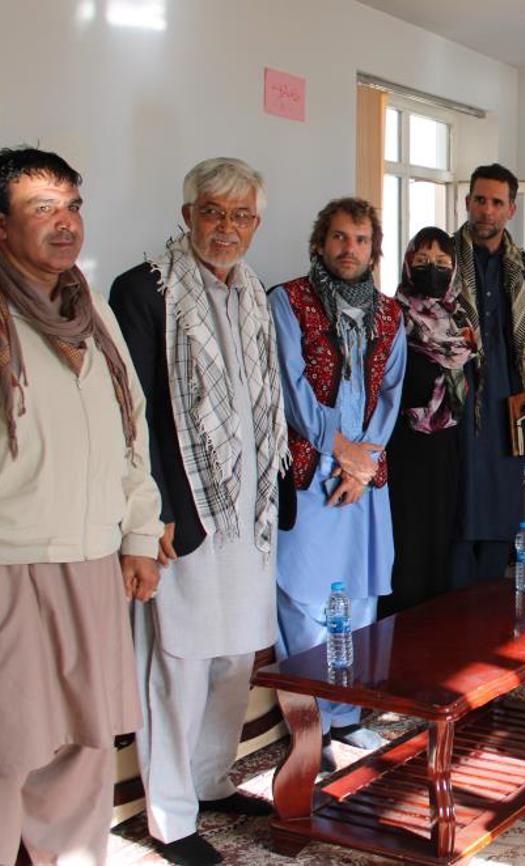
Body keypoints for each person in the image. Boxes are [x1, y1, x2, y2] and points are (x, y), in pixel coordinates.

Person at [109, 157, 286, 864]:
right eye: (213, 212)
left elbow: (263, 398)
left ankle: (212, 780)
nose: (226, 228)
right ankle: (171, 817)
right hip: (181, 512)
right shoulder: (144, 289)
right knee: (178, 662)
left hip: (248, 512)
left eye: (241, 216)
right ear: (187, 216)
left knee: (235, 656)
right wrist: (153, 509)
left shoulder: (252, 290)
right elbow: (136, 412)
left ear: (256, 224)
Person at [0, 147, 162, 865]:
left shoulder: (90, 310)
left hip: (94, 559)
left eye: (72, 207)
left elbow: (132, 430)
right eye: (43, 210)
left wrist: (138, 533)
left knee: (87, 744)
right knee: (11, 747)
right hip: (13, 563)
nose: (65, 224)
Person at [270, 197, 406, 757]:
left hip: (363, 480)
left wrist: (364, 463)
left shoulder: (390, 314)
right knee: (304, 604)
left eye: (360, 239)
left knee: (359, 601)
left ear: (374, 250)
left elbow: (391, 394)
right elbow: (290, 387)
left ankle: (347, 717)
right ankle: (313, 727)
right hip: (311, 474)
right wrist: (342, 451)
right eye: (339, 237)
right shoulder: (288, 301)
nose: (349, 248)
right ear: (320, 243)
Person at [449, 164, 525, 586]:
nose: (486, 210)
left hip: (508, 405)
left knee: (499, 513)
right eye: (480, 200)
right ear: (467, 202)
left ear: (511, 209)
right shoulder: (444, 258)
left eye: (496, 202)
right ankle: (452, 614)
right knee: (457, 514)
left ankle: (488, 611)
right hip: (455, 405)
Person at [382, 227, 474, 615]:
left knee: (439, 538)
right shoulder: (390, 316)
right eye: (421, 261)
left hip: (446, 447)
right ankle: (397, 629)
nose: (431, 270)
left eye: (441, 262)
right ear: (407, 265)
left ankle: (432, 627)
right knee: (406, 542)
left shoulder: (460, 320)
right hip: (402, 447)